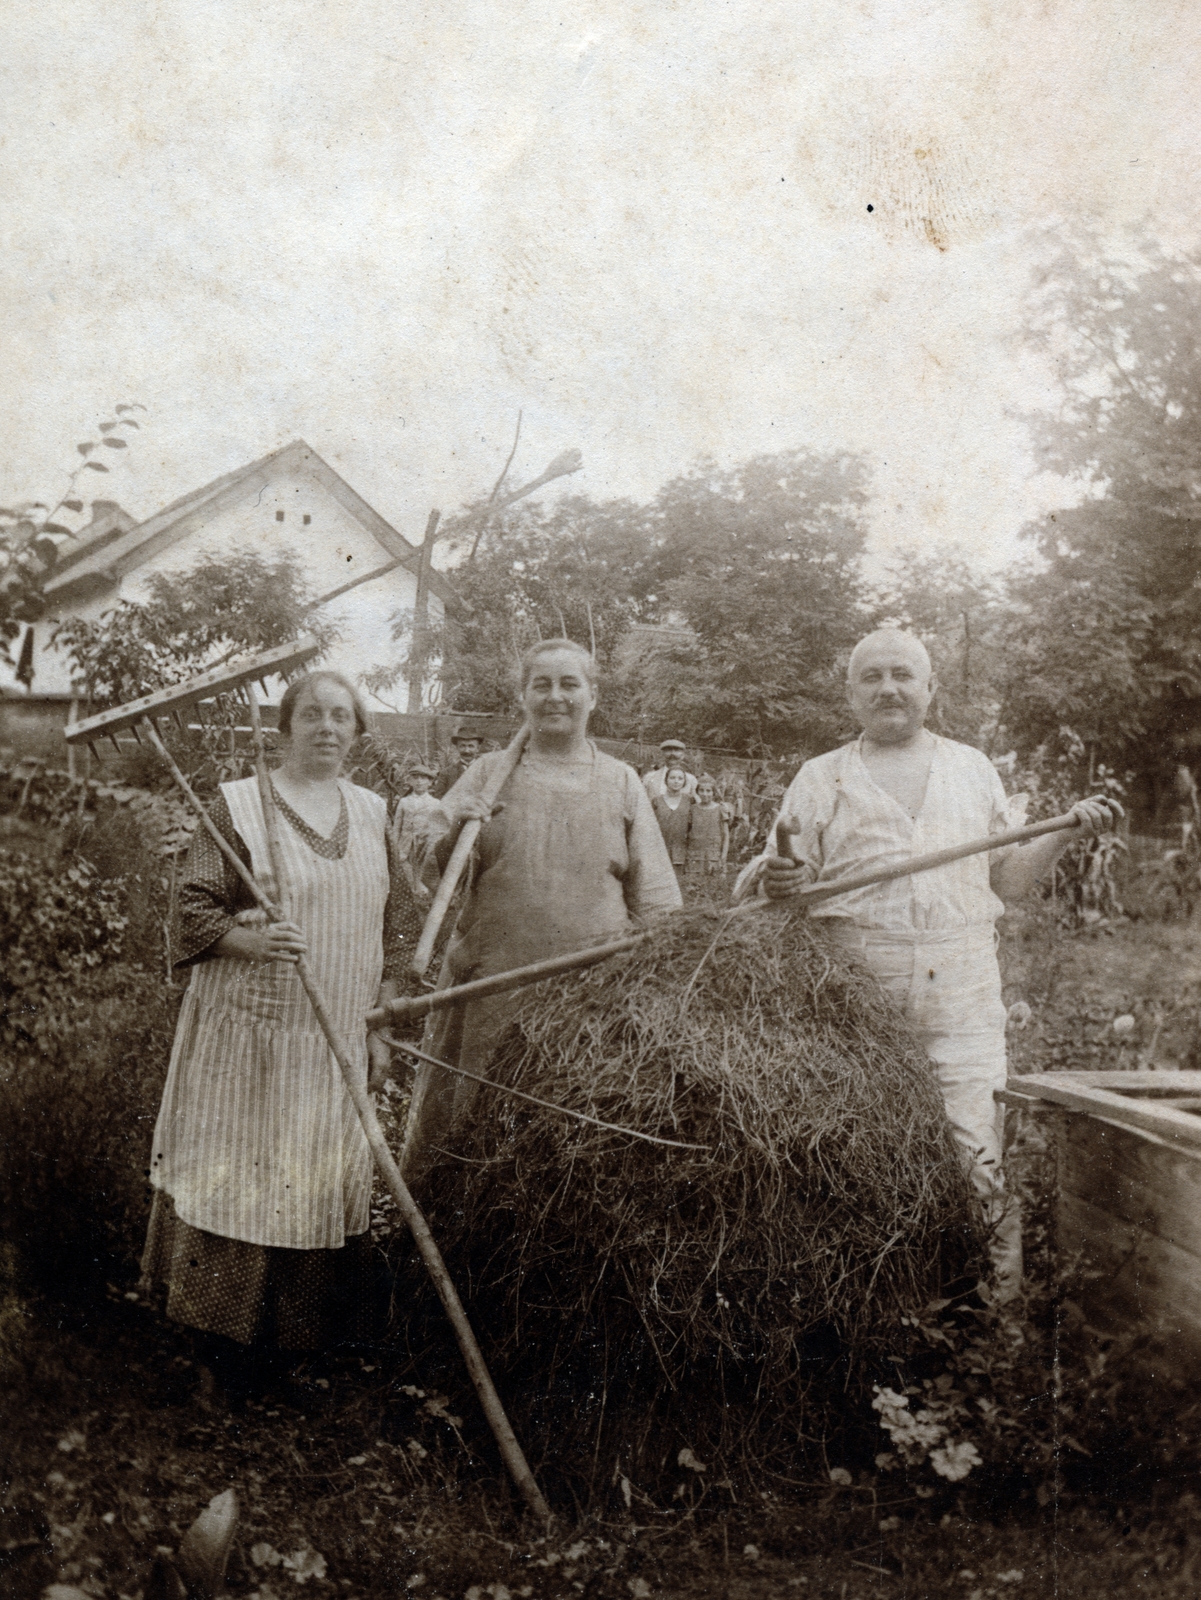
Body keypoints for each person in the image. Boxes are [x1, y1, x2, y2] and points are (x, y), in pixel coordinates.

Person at [745, 629, 1123, 1298]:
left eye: (902, 675)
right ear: (851, 693)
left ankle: (994, 1329)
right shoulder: (821, 775)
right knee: (854, 1160)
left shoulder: (972, 768)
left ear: (929, 689)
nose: (888, 688)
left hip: (962, 995)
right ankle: (874, 1320)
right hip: (858, 1000)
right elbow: (784, 882)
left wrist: (1065, 830)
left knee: (975, 1158)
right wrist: (778, 877)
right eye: (872, 677)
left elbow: (1004, 883)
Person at [141, 671, 413, 1404]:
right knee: (243, 1177)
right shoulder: (237, 807)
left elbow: (400, 926)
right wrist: (246, 941)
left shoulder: (372, 810)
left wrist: (384, 1019)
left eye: (341, 717)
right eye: (311, 715)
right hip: (251, 1033)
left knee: (313, 1181)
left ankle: (296, 1351)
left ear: (357, 731)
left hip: (332, 1038)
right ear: (284, 726)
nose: (327, 728)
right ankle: (218, 1351)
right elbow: (191, 907)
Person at [399, 638, 682, 1179]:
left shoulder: (620, 779)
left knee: (574, 1140)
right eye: (542, 684)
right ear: (522, 697)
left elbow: (657, 900)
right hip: (491, 986)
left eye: (570, 684)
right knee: (471, 1132)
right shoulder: (487, 773)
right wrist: (459, 827)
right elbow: (435, 876)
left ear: (592, 696)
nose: (556, 696)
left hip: (592, 996)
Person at [652, 765, 694, 871]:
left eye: (680, 778)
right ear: (666, 780)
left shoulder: (690, 801)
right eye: (672, 778)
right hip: (659, 852)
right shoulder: (656, 801)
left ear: (684, 782)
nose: (676, 781)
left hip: (682, 853)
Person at [688, 775, 729, 875]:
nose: (705, 794)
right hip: (695, 855)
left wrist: (723, 855)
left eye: (708, 791)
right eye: (701, 790)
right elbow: (687, 832)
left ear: (713, 793)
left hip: (713, 855)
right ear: (697, 792)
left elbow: (726, 834)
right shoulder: (692, 809)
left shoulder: (720, 809)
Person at [431, 729, 482, 799]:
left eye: (471, 746)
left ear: (478, 748)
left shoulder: (487, 771)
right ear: (457, 748)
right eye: (462, 746)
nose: (466, 750)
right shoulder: (446, 773)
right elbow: (438, 797)